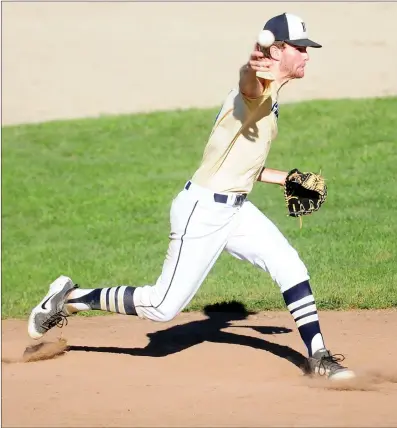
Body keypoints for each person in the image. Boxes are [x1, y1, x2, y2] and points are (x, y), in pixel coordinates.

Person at [28, 12, 355, 380]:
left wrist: (285, 178)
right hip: (202, 212)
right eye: (300, 48)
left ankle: (320, 357)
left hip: (236, 210)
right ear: (277, 50)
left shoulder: (272, 96)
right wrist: (251, 68)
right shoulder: (255, 92)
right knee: (162, 307)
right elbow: (248, 83)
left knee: (290, 265)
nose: (307, 55)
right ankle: (71, 298)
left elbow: (238, 163)